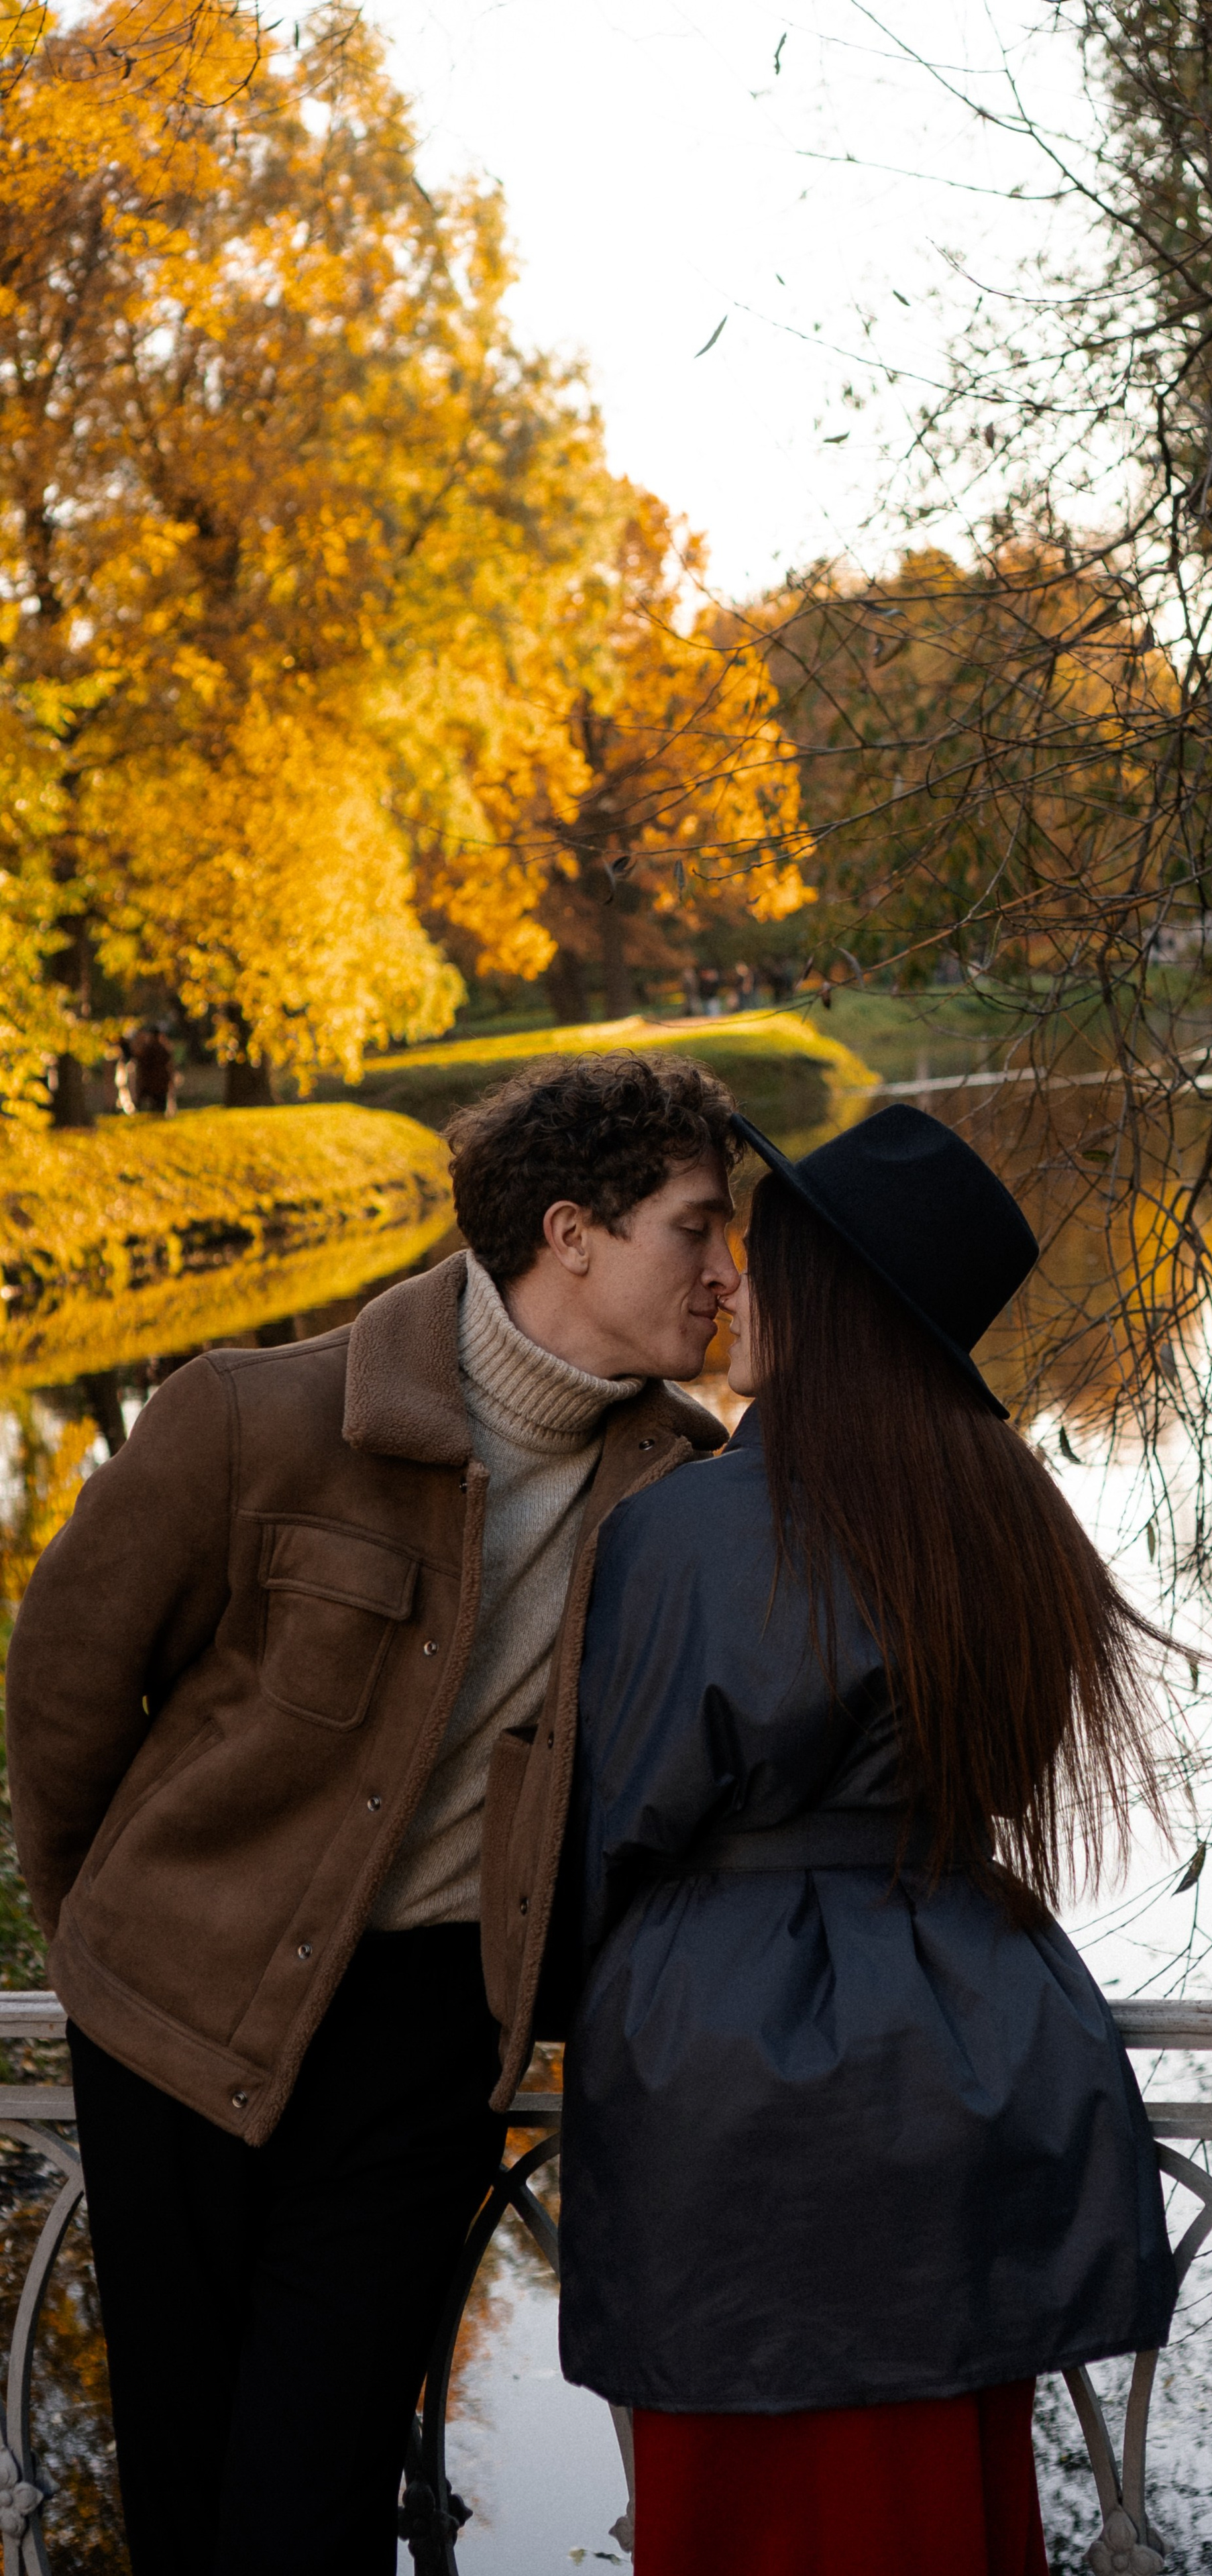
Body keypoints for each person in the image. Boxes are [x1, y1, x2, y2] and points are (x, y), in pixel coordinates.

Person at [5, 1053, 740, 2576]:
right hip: (175, 2018)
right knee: (187, 2498)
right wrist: (109, 1935)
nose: (727, 1271)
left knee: (311, 2512)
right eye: (695, 1228)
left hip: (425, 2047)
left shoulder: (684, 1484)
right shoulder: (249, 1416)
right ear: (571, 1233)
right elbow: (66, 1680)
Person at [555, 1102, 1178, 2576]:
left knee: (749, 2520)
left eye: (758, 1267)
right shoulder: (1016, 1520)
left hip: (727, 2100)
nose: (728, 1292)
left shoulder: (688, 1530)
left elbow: (618, 1822)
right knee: (937, 2502)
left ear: (827, 1303)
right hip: (962, 2054)